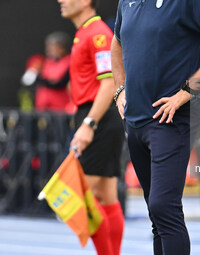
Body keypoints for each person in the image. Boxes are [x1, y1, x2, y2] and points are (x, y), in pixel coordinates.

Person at [111, 0, 200, 254]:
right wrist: (119, 90)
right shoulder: (126, 2)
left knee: (164, 206)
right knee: (156, 214)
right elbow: (116, 41)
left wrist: (188, 90)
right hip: (135, 122)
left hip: (171, 120)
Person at [56, 0, 125, 254]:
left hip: (100, 116)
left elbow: (109, 84)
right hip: (96, 115)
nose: (61, 0)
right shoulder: (83, 32)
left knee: (83, 195)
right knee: (106, 196)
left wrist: (89, 124)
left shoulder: (97, 34)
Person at [21, 32, 73, 112]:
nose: (50, 50)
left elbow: (59, 83)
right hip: (42, 108)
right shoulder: (45, 62)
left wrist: (38, 79)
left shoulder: (69, 62)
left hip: (60, 108)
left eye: (54, 46)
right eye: (48, 47)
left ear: (63, 48)